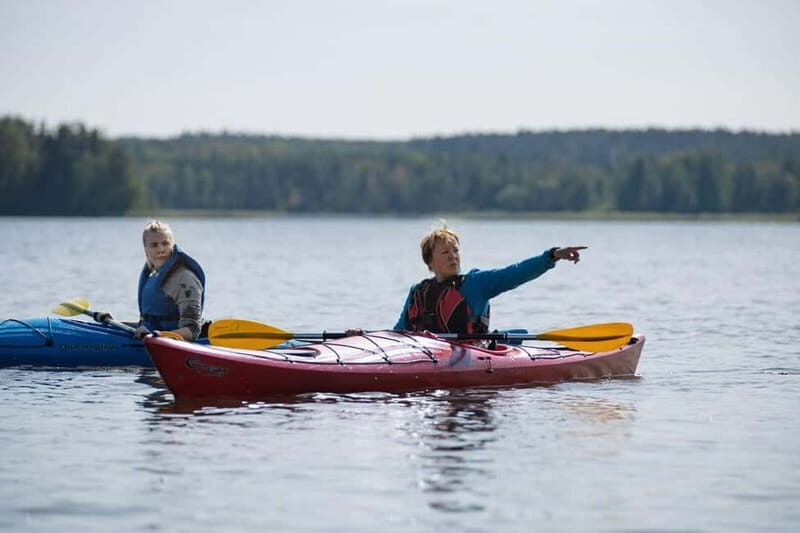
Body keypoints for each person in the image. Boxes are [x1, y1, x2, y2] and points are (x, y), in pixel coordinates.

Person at [393, 225, 585, 335]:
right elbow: (399, 331)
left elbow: (516, 273)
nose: (453, 256)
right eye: (445, 252)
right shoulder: (418, 291)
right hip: (425, 354)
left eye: (456, 251)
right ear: (429, 261)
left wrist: (552, 256)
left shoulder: (476, 283)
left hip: (470, 354)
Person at [97, 220, 206, 341]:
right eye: (154, 245)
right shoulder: (153, 275)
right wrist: (113, 323)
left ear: (172, 244)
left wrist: (157, 336)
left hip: (171, 344)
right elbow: (148, 325)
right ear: (145, 248)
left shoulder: (184, 279)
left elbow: (192, 330)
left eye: (165, 243)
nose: (161, 249)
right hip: (152, 339)